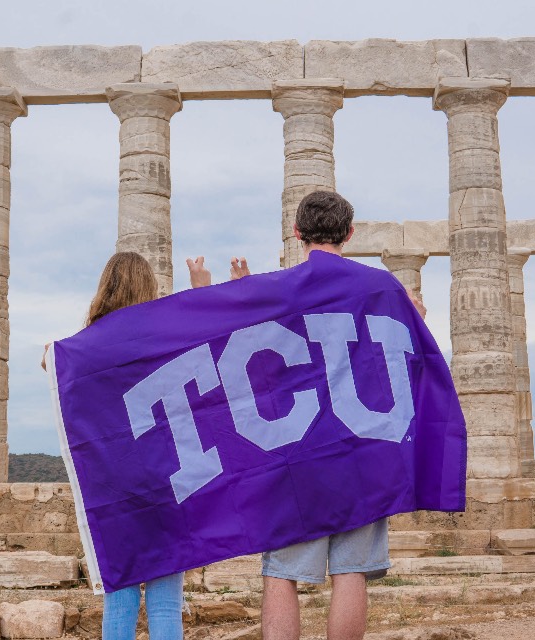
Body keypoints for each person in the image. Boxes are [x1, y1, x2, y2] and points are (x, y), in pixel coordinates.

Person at [187, 191, 427, 640]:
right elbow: (412, 355)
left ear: (297, 233)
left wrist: (204, 291)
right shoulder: (382, 288)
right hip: (362, 448)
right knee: (352, 572)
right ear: (350, 234)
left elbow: (221, 339)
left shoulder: (276, 289)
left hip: (294, 454)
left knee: (281, 572)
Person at [42, 251, 185, 640]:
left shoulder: (88, 345)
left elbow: (50, 361)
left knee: (119, 600)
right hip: (164, 476)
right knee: (167, 601)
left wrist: (54, 355)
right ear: (149, 289)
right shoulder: (161, 337)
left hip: (112, 485)